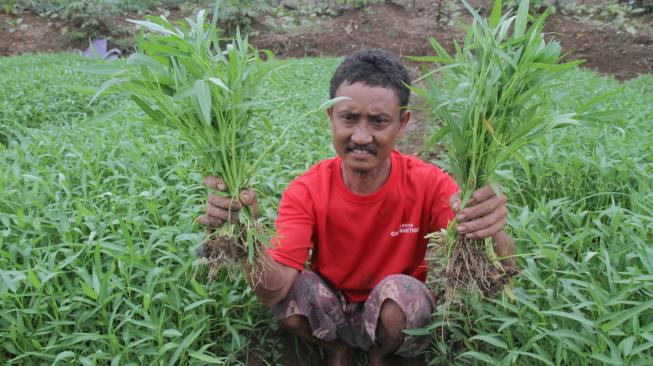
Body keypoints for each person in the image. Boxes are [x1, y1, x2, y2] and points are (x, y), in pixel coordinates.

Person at [199, 49, 516, 366]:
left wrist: (492, 230)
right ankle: (337, 347)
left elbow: (494, 280)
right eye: (349, 118)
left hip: (391, 308)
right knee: (295, 293)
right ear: (331, 117)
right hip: (330, 304)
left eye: (379, 121)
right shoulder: (306, 190)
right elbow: (274, 291)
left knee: (407, 295)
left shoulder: (431, 184)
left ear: (402, 123)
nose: (361, 137)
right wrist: (247, 240)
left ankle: (381, 352)